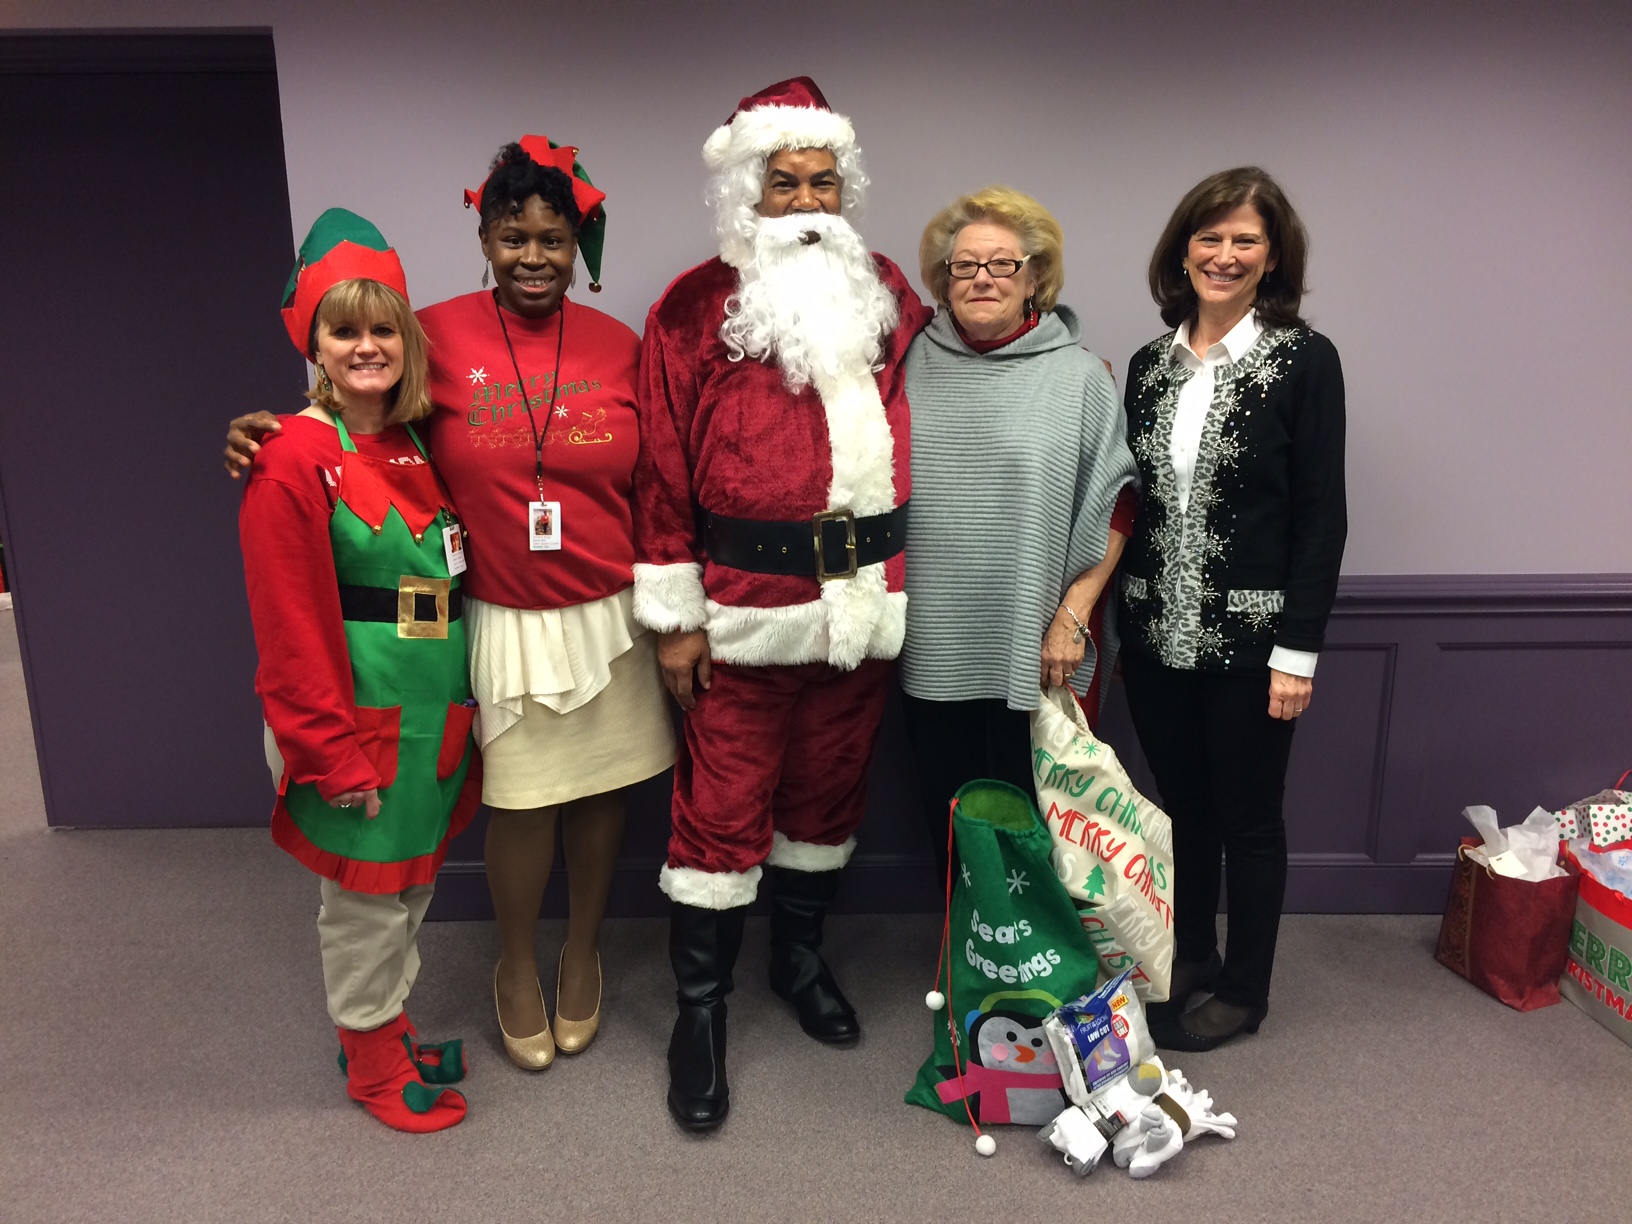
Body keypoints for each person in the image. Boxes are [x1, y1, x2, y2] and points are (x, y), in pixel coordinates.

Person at [228, 140, 675, 1072]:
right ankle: (516, 966)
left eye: (554, 238)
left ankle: (582, 949)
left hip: (608, 609)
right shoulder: (436, 333)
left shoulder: (620, 347)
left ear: (577, 241)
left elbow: (659, 480)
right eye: (514, 237)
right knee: (521, 802)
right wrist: (265, 433)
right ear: (484, 236)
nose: (535, 256)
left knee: (601, 792)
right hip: (502, 613)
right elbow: (355, 404)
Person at [632, 77, 931, 1130]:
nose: (805, 202)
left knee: (826, 802)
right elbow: (662, 469)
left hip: (863, 610)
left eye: (822, 182)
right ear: (745, 196)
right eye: (784, 183)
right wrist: (672, 620)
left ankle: (796, 962)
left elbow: (967, 369)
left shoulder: (886, 285)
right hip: (742, 612)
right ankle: (700, 1013)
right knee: (718, 820)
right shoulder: (688, 309)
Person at [240, 209, 478, 1132]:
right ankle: (373, 1063)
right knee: (365, 905)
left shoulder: (414, 441)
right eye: (345, 329)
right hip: (358, 727)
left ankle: (384, 1025)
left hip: (425, 718)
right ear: (315, 341)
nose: (367, 346)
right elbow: (289, 628)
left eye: (384, 327)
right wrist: (328, 754)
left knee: (407, 889)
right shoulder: (291, 456)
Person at [1117, 167, 1346, 1051]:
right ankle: (1192, 961)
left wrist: (1299, 653)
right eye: (1209, 238)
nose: (1224, 255)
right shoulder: (1149, 364)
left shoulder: (1303, 360)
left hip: (1254, 643)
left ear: (1272, 255)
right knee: (1185, 811)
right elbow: (1127, 499)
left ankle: (1245, 992)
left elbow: (1321, 516)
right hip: (1151, 634)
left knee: (1249, 818)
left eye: (1244, 240)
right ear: (1183, 251)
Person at [899, 187, 1138, 882]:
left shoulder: (1078, 378)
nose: (981, 277)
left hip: (1041, 639)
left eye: (1003, 264)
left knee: (1047, 818)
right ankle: (976, 957)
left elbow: (1118, 502)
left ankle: (1047, 971)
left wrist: (1072, 617)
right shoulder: (905, 366)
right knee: (950, 812)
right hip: (934, 640)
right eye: (963, 264)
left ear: (1036, 278)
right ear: (943, 280)